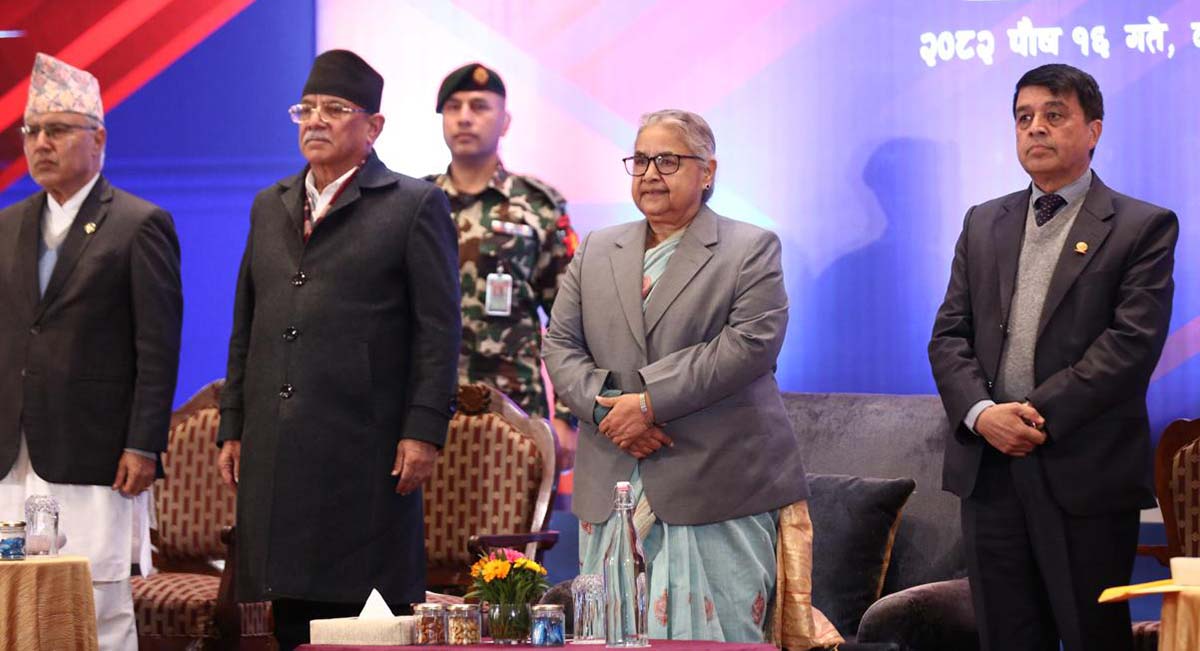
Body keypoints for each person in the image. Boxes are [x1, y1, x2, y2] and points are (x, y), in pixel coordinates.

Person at [215, 49, 460, 651]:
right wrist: (233, 425)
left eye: (335, 109)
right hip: (279, 447)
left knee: (364, 618)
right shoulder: (269, 205)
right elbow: (246, 324)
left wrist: (424, 431)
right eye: (306, 109)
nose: (315, 121)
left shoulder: (412, 205)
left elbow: (439, 331)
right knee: (290, 615)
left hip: (365, 447)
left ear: (373, 126)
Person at [929, 63, 1177, 651]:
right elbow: (949, 336)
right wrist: (984, 415)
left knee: (1092, 637)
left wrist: (1031, 416)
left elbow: (1130, 345)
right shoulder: (983, 221)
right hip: (991, 471)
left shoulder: (1142, 226)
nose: (1035, 128)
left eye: (1054, 115)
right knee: (1006, 638)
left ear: (1093, 130)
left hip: (1083, 472)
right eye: (1024, 117)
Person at [543, 109, 808, 642]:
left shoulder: (750, 248)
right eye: (640, 160)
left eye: (667, 161)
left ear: (708, 171)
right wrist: (612, 411)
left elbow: (750, 345)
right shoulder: (597, 248)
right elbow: (559, 346)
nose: (649, 174)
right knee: (613, 635)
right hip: (614, 481)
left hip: (716, 482)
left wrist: (647, 403)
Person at [0, 52, 183, 650]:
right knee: (11, 601)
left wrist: (143, 443)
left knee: (94, 601)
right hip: (11, 449)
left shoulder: (137, 223)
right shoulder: (8, 224)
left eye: (57, 130)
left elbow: (157, 348)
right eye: (32, 131)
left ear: (98, 139)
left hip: (95, 449)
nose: (41, 143)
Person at [425, 63, 579, 466]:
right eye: (453, 107)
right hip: (426, 413)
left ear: (505, 121)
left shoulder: (538, 206)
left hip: (516, 413)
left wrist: (567, 416)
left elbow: (570, 316)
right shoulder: (415, 203)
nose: (464, 117)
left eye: (479, 106)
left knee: (519, 510)